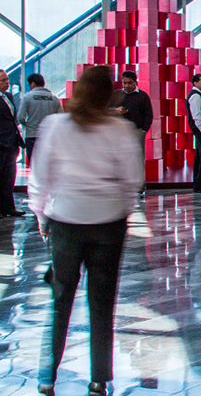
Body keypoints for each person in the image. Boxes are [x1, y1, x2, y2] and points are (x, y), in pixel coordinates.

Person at [29, 65, 142, 396]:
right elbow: (132, 180)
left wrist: (42, 216)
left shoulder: (55, 126)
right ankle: (98, 380)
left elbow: (40, 177)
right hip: (108, 223)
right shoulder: (119, 129)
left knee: (60, 301)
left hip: (66, 221)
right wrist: (122, 210)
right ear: (108, 95)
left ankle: (47, 377)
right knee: (102, 305)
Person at [18, 73, 61, 162]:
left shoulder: (27, 97)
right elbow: (61, 116)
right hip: (49, 135)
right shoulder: (54, 98)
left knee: (34, 163)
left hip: (32, 134)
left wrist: (28, 124)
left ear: (33, 84)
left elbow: (21, 117)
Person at [0, 69, 25, 217]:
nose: (7, 83)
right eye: (3, 80)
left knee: (9, 177)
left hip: (11, 143)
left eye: (7, 79)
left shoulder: (8, 96)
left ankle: (8, 207)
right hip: (1, 143)